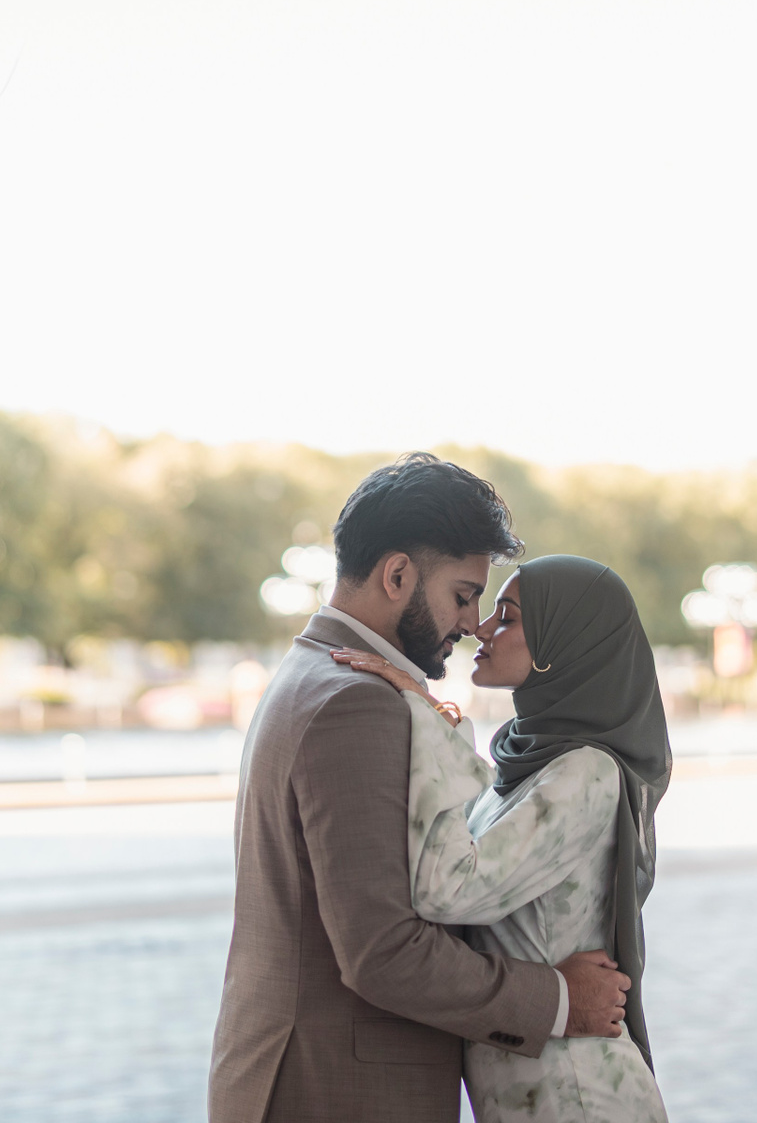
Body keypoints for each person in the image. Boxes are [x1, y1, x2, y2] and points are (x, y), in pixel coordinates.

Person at [208, 456, 632, 1123]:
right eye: (463, 595)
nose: (471, 623)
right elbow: (383, 952)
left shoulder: (314, 672)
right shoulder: (356, 702)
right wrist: (559, 1000)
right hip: (336, 1094)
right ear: (398, 574)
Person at [332, 554, 672, 1123]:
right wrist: (432, 716)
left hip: (579, 1095)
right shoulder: (529, 767)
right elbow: (451, 842)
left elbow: (449, 889)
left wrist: (424, 717)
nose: (481, 628)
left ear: (564, 645)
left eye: (508, 617)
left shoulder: (587, 771)